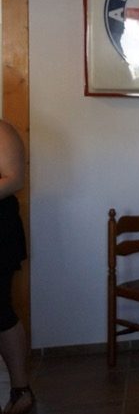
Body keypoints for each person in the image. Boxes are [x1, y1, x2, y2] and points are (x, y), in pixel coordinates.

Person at [0, 121, 33, 414]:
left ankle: (21, 390)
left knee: (0, 309)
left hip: (0, 231)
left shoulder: (2, 132)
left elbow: (14, 179)